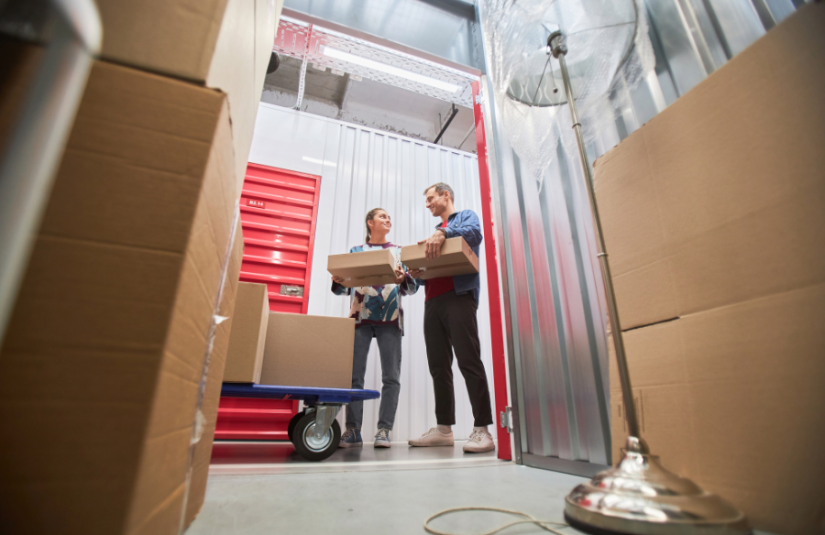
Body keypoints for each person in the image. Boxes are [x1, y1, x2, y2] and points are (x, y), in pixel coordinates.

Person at [408, 183, 495, 453]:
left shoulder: (465, 217)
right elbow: (430, 273)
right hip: (432, 300)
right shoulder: (436, 234)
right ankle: (444, 429)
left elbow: (474, 234)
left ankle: (483, 431)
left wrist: (442, 231)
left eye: (431, 198)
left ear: (447, 196)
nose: (428, 204)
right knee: (438, 366)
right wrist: (415, 274)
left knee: (469, 361)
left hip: (459, 298)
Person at [332, 208, 420, 449]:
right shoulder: (356, 251)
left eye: (390, 217)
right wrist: (338, 280)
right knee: (353, 378)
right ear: (370, 223)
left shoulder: (400, 252)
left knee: (391, 378)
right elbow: (343, 290)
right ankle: (353, 431)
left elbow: (412, 289)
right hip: (360, 318)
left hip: (390, 319)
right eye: (382, 216)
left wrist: (404, 280)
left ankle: (384, 430)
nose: (388, 219)